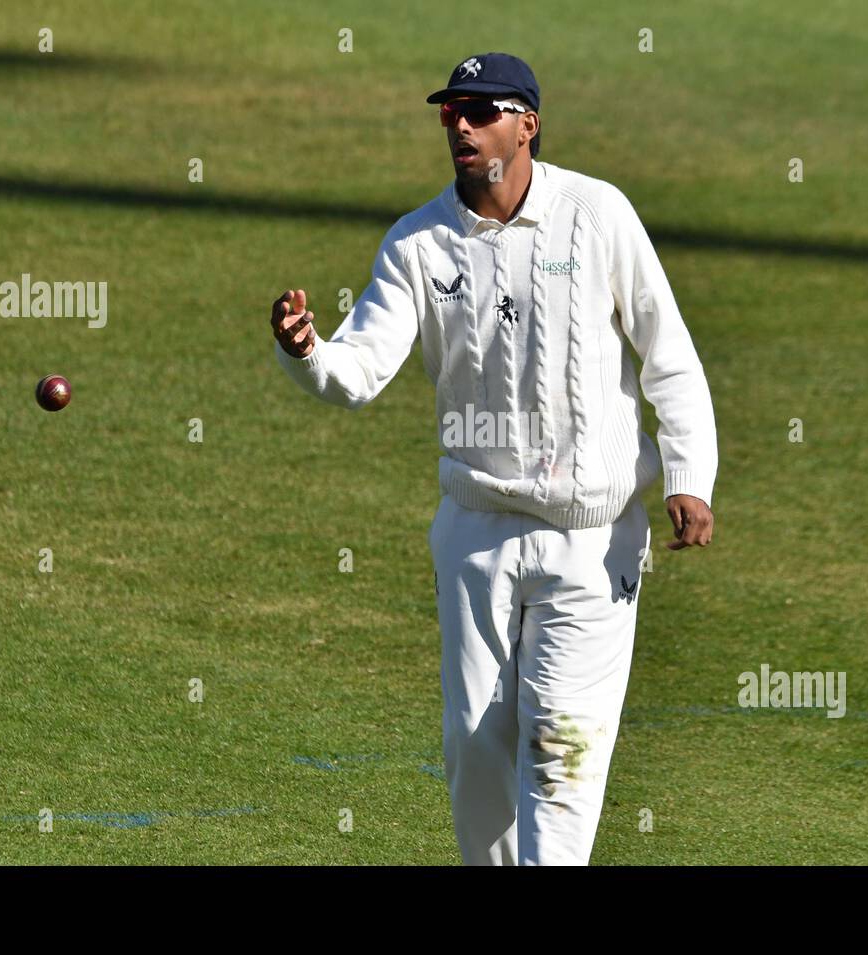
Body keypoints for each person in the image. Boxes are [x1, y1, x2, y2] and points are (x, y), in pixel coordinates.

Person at [270, 52, 717, 865]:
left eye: (480, 111)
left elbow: (669, 356)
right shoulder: (418, 243)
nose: (462, 126)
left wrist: (690, 478)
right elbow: (361, 369)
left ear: (528, 124)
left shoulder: (598, 215)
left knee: (559, 752)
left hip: (592, 539)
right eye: (450, 113)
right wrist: (308, 352)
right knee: (475, 755)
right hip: (474, 530)